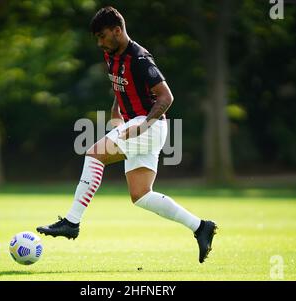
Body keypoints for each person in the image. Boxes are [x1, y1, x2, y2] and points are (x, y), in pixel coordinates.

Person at [37, 6, 217, 263]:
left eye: (102, 36)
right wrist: (115, 112)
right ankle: (201, 227)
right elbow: (119, 88)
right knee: (141, 195)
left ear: (117, 31)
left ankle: (71, 221)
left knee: (94, 154)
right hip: (140, 125)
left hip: (148, 126)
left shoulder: (140, 58)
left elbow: (167, 96)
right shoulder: (111, 55)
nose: (99, 42)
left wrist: (143, 126)